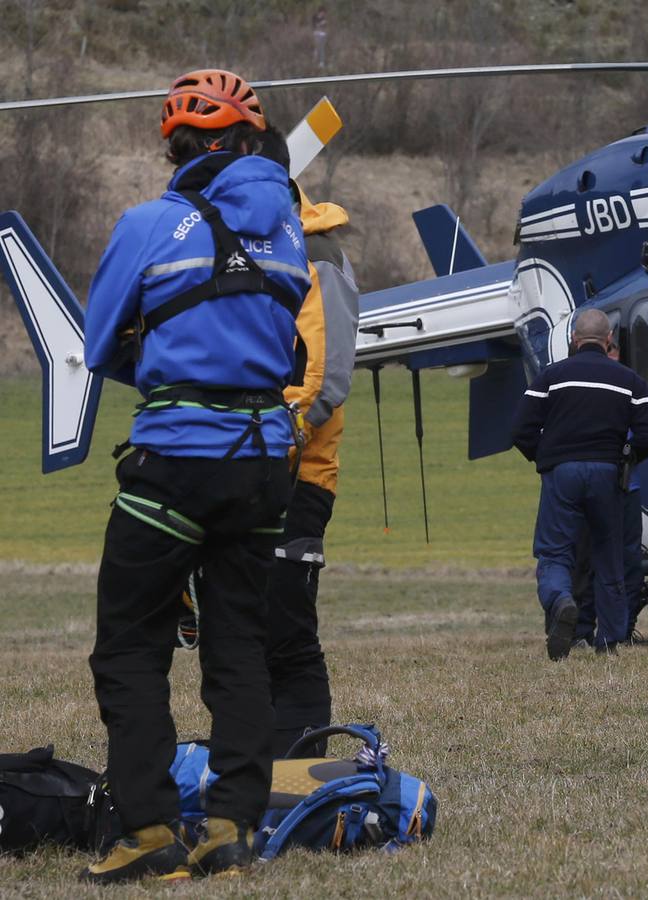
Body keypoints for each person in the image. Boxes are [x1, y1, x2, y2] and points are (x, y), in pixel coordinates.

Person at [80, 69, 308, 882]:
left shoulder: (152, 223)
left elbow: (100, 341)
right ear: (253, 143)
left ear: (175, 148)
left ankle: (145, 831)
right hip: (263, 469)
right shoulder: (289, 233)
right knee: (240, 644)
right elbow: (289, 351)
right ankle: (231, 829)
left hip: (177, 462)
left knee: (130, 647)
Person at [264, 182, 360, 757]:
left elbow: (320, 377)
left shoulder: (313, 251)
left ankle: (298, 772)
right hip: (254, 471)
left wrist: (268, 445)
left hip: (293, 473)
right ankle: (256, 764)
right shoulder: (259, 247)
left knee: (286, 631)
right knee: (246, 631)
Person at [511, 309, 648, 659]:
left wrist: (545, 458)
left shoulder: (552, 377)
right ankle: (609, 641)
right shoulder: (629, 380)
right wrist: (628, 456)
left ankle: (561, 601)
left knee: (554, 553)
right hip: (607, 473)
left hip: (562, 473)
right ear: (609, 340)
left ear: (574, 341)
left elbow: (520, 429)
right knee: (608, 556)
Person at [568, 335, 644, 651]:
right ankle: (582, 629)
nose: (611, 356)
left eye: (615, 351)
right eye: (608, 350)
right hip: (601, 483)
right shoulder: (579, 383)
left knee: (626, 561)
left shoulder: (628, 383)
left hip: (626, 485)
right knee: (586, 559)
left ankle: (620, 630)